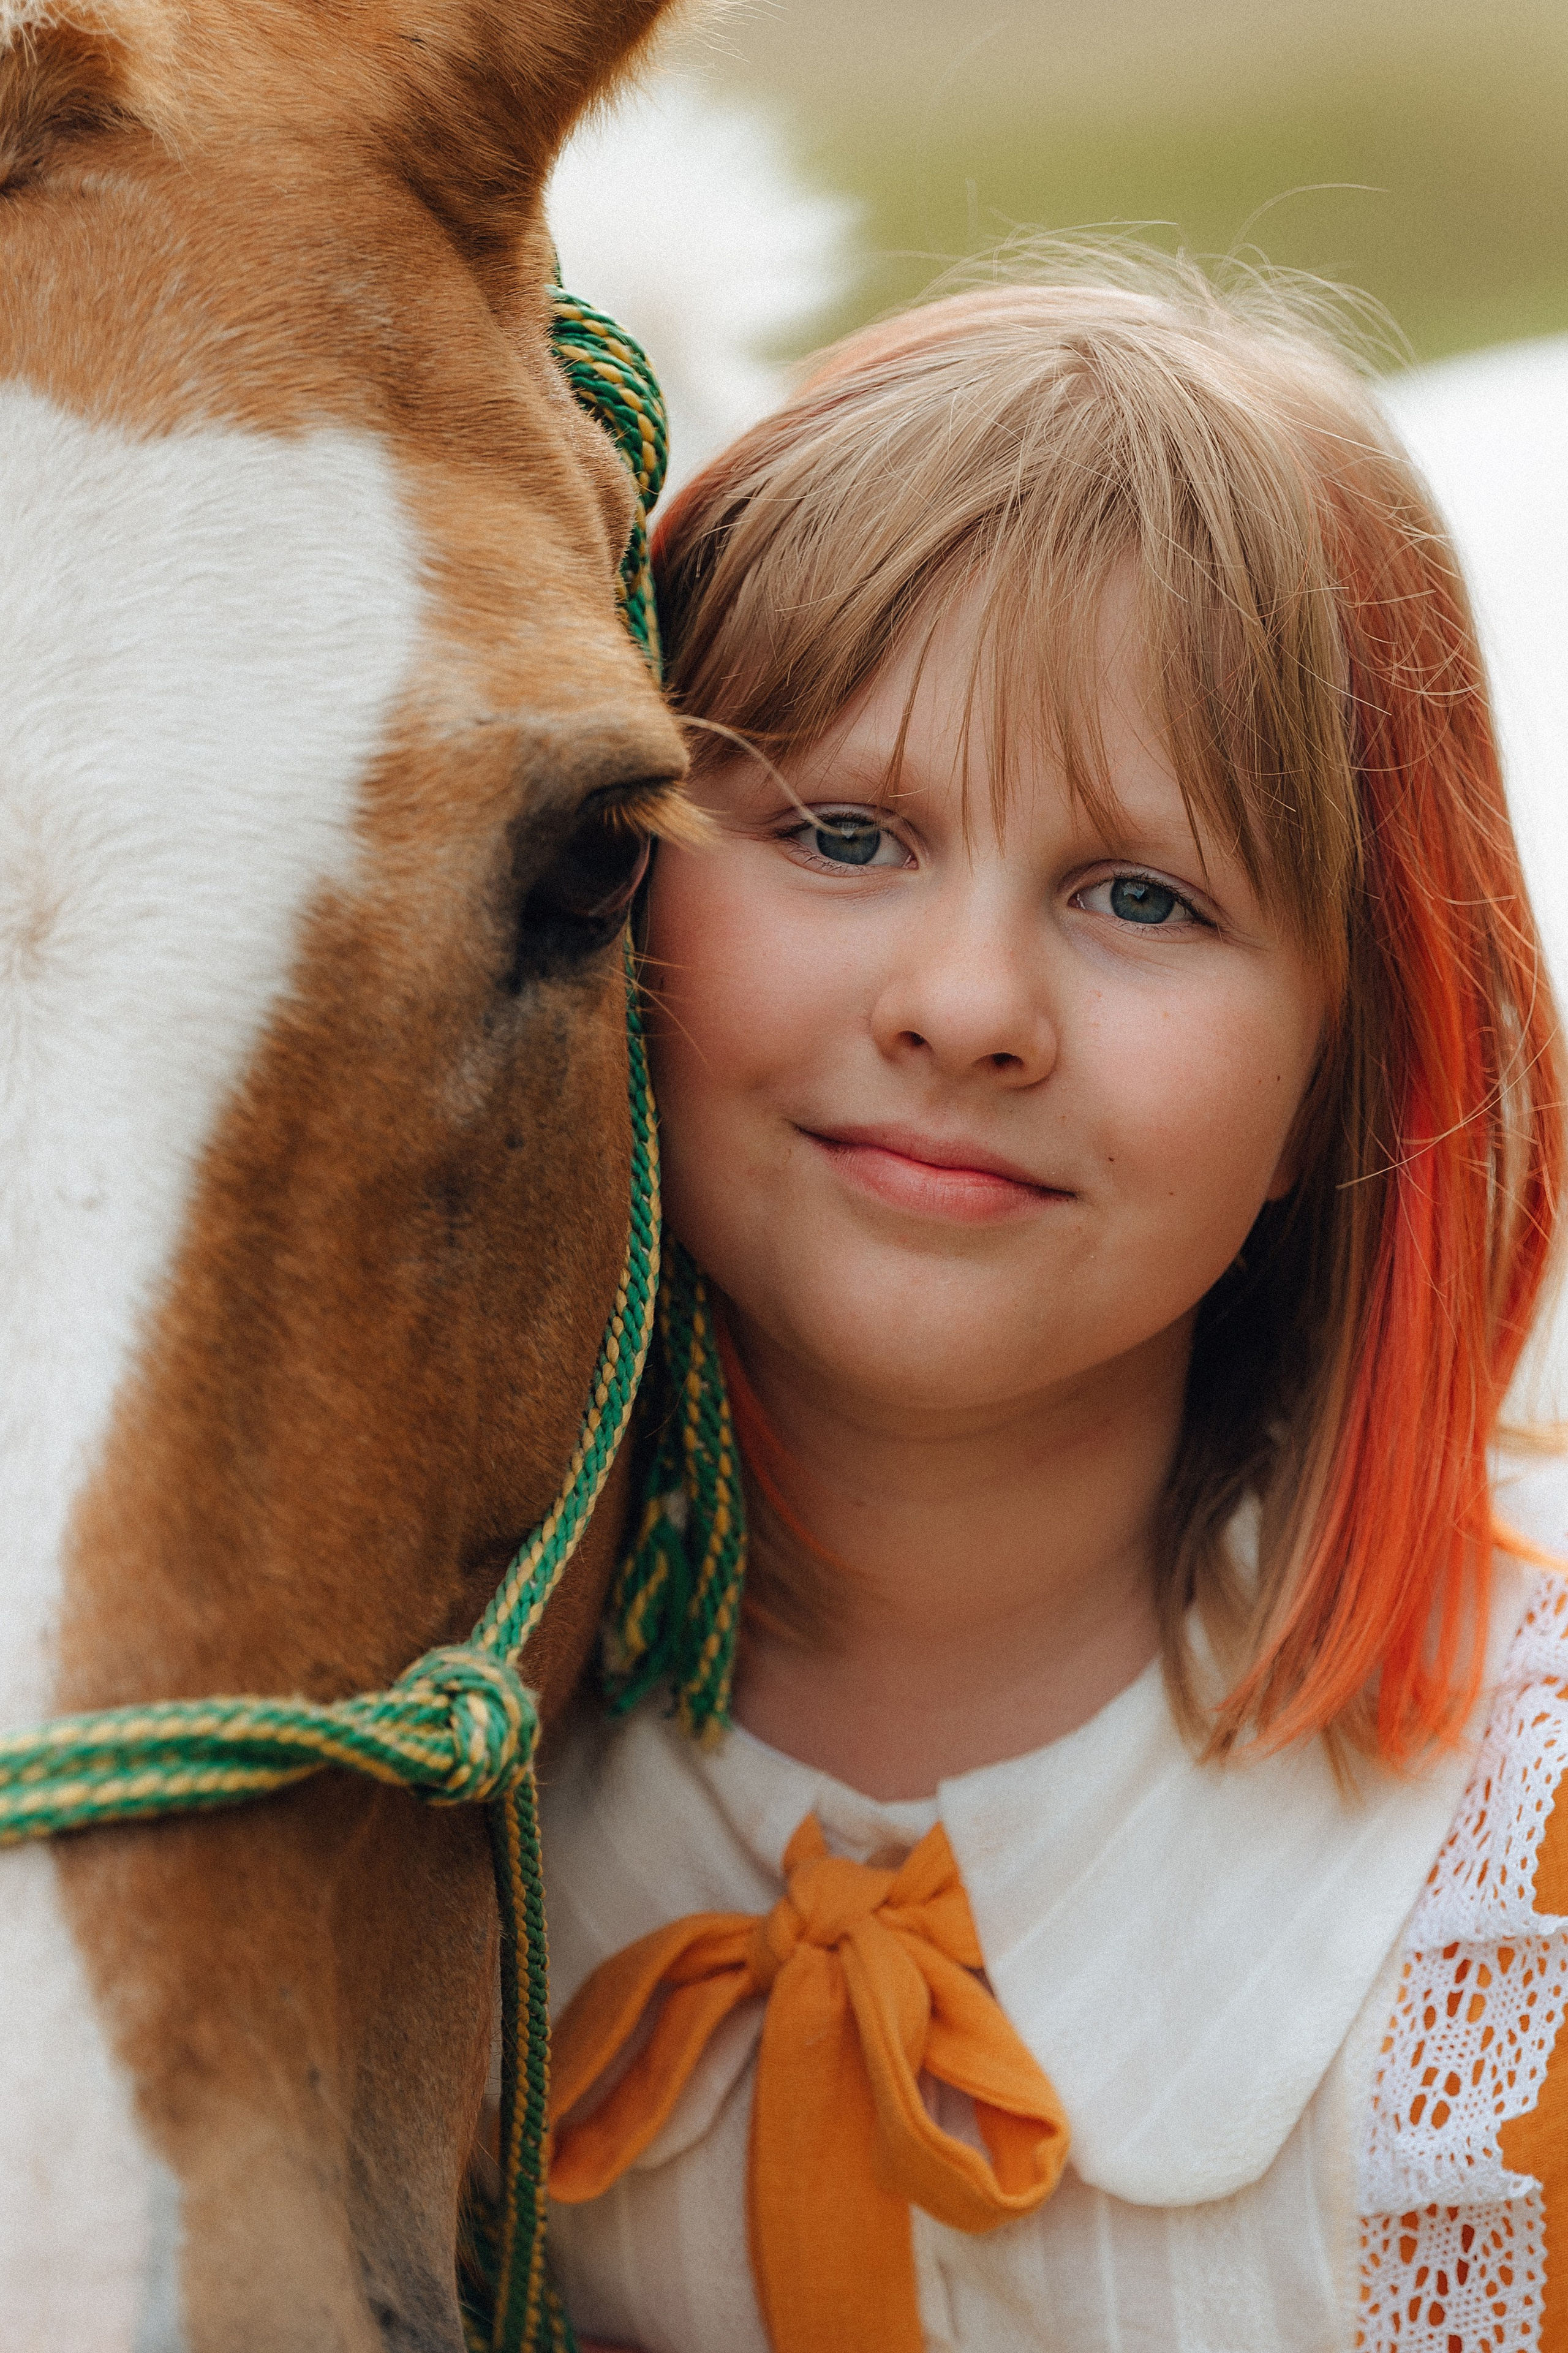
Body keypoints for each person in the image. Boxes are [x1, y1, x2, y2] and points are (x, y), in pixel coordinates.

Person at [537, 256, 1568, 2353]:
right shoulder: (421, 1745)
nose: (968, 1007)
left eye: (1141, 896)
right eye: (843, 832)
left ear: (1337, 1084)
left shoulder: (1502, 1908)